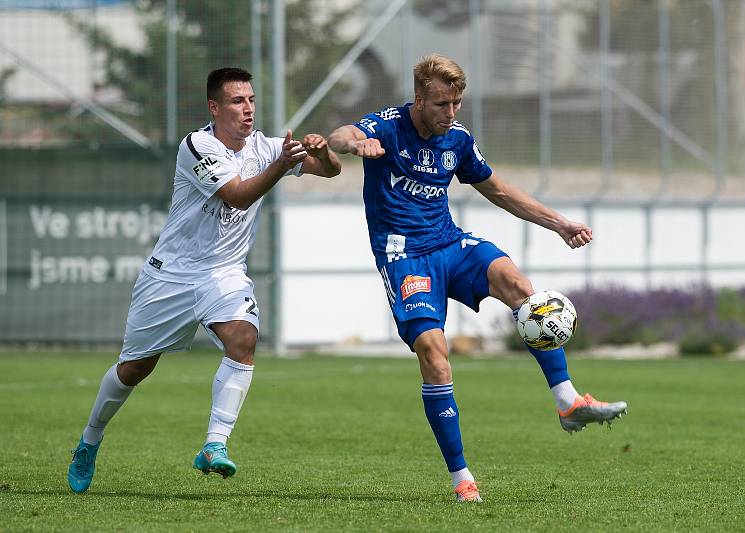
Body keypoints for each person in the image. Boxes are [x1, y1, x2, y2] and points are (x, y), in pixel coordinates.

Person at [328, 54, 626, 503]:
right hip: (405, 257)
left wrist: (559, 223)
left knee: (521, 287)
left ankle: (568, 402)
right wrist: (354, 145)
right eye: (442, 104)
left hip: (450, 244)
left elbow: (500, 191)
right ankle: (462, 478)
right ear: (419, 99)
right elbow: (340, 134)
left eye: (457, 104)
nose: (451, 113)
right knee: (434, 352)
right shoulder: (387, 127)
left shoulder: (458, 140)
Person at [67, 67, 341, 493]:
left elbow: (331, 172)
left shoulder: (266, 146)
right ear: (215, 107)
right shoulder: (197, 145)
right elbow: (238, 194)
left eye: (250, 99)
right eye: (237, 101)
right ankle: (89, 441)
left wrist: (321, 152)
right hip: (171, 276)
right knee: (135, 368)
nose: (247, 108)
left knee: (244, 339)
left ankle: (214, 445)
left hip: (223, 275)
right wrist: (283, 163)